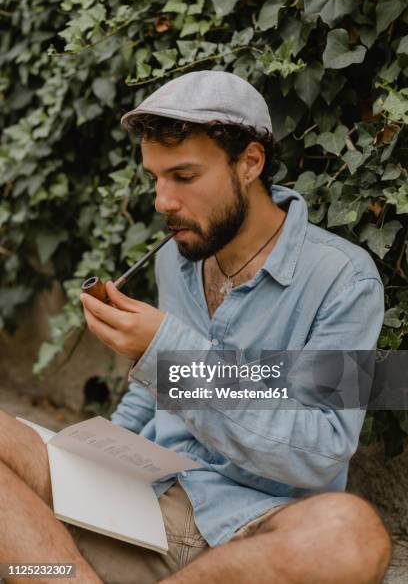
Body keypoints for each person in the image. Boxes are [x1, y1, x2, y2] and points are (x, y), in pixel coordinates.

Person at [0, 71, 391, 584]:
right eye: (155, 179)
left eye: (183, 177)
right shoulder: (179, 257)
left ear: (250, 162)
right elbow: (153, 399)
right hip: (145, 504)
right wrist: (86, 466)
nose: (162, 201)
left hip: (250, 535)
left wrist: (170, 350)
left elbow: (322, 450)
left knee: (351, 535)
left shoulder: (345, 278)